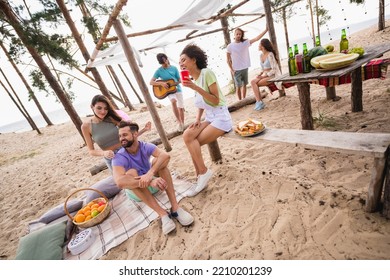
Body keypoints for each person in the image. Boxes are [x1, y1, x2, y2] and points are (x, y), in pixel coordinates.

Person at [112, 121, 194, 235]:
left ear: (135, 134)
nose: (121, 138)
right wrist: (149, 181)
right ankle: (162, 214)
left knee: (161, 164)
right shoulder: (119, 156)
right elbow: (119, 182)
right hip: (138, 191)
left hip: (155, 183)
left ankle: (175, 208)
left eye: (125, 135)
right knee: (131, 173)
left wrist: (150, 173)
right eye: (120, 136)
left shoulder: (145, 146)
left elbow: (165, 155)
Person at [179, 43, 233, 197]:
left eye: (183, 60)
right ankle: (200, 175)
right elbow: (202, 103)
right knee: (188, 136)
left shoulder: (207, 73)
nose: (181, 64)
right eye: (180, 62)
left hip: (221, 117)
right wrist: (197, 119)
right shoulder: (195, 80)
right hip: (209, 117)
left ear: (193, 60)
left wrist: (195, 88)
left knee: (192, 142)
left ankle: (202, 174)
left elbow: (215, 100)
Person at [81, 94, 151, 173]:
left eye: (106, 108)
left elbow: (129, 135)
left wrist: (144, 130)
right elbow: (91, 151)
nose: (103, 111)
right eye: (99, 108)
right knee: (125, 183)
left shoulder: (111, 118)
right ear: (92, 107)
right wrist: (103, 153)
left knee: (143, 175)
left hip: (127, 151)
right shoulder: (86, 126)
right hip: (112, 158)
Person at [227, 27, 268, 100]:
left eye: (240, 34)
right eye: (237, 34)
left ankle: (244, 99)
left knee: (244, 85)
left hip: (245, 68)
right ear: (234, 35)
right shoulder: (230, 46)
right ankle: (240, 101)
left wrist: (266, 30)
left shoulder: (245, 43)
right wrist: (232, 70)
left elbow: (256, 38)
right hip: (236, 69)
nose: (238, 35)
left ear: (241, 35)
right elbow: (228, 60)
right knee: (238, 86)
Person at [150, 53, 185, 132]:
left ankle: (182, 123)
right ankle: (179, 122)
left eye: (165, 60)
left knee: (181, 107)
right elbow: (151, 82)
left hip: (177, 89)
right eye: (163, 62)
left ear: (167, 59)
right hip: (169, 91)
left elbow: (179, 79)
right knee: (173, 101)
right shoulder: (159, 71)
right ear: (160, 63)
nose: (165, 63)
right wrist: (161, 83)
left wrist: (182, 80)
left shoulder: (174, 68)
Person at [250, 38, 282, 111]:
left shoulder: (270, 54)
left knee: (256, 84)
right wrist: (260, 74)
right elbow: (263, 68)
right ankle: (259, 102)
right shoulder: (261, 55)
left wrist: (264, 76)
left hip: (272, 75)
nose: (258, 46)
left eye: (259, 44)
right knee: (252, 82)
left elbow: (274, 69)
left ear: (263, 46)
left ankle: (260, 102)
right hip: (264, 75)